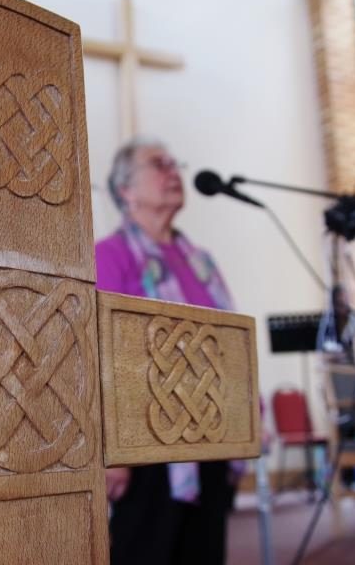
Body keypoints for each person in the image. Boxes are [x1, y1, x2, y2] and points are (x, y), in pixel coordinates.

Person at [96, 137, 239, 565]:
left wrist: (250, 415)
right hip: (146, 448)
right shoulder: (111, 255)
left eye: (175, 163)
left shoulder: (202, 262)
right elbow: (104, 354)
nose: (173, 171)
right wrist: (111, 454)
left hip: (212, 438)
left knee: (205, 553)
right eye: (159, 164)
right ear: (126, 191)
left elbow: (232, 343)